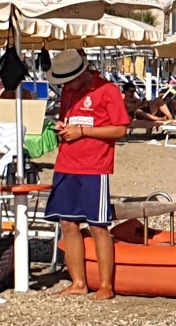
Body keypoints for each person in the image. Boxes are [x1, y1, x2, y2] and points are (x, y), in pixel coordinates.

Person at [46, 50, 130, 300]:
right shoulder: (69, 92)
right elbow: (68, 119)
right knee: (68, 223)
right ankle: (78, 282)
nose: (64, 85)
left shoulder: (107, 90)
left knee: (98, 225)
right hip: (66, 164)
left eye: (67, 80)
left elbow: (121, 130)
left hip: (94, 167)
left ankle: (106, 285)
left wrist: (83, 132)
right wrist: (63, 128)